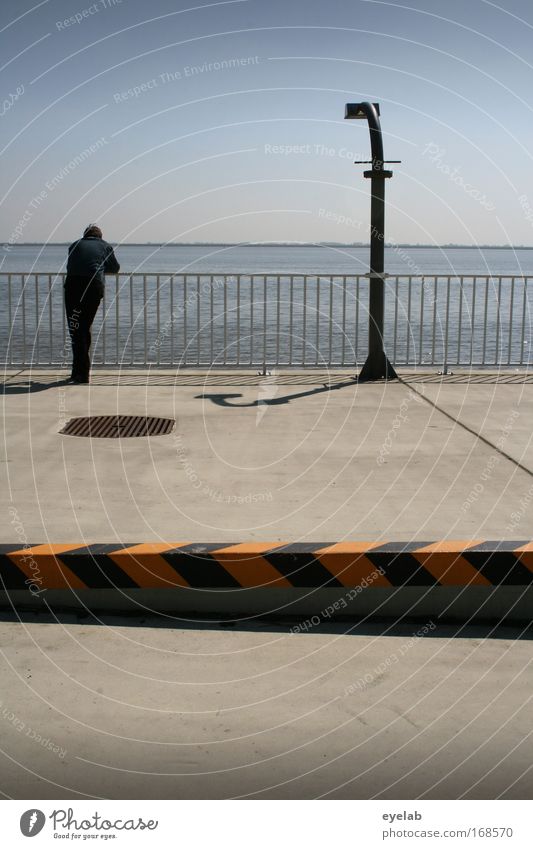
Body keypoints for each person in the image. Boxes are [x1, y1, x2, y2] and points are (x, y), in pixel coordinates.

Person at [64, 224, 120, 383]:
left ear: (85, 235)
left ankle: (77, 372)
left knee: (75, 328)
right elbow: (115, 268)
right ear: (99, 236)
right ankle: (82, 373)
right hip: (92, 287)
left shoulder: (74, 244)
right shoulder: (105, 246)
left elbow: (71, 265)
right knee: (83, 327)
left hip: (73, 287)